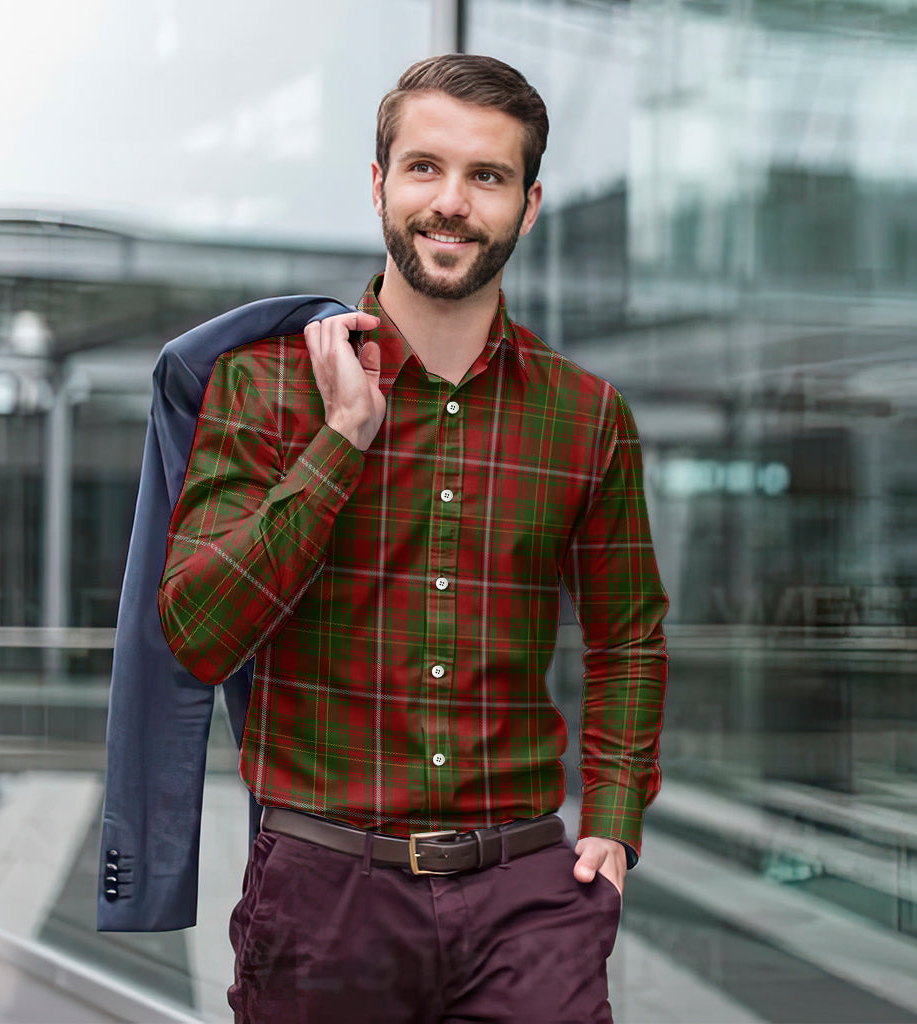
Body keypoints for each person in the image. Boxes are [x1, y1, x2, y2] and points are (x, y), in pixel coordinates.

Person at [159, 53, 668, 1024]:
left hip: (527, 895)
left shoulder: (586, 415)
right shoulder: (263, 388)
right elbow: (197, 633)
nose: (452, 202)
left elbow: (628, 635)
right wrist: (342, 439)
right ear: (379, 183)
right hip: (324, 897)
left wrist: (610, 821)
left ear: (528, 204)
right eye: (425, 167)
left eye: (488, 176)